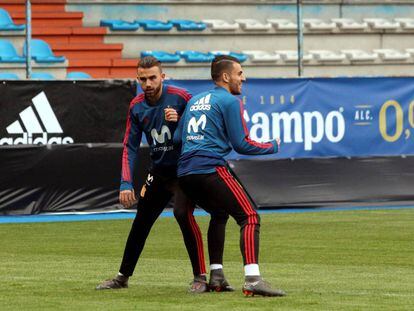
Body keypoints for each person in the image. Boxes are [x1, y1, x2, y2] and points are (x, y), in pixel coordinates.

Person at [96, 56, 232, 293]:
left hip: (184, 171)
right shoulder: (136, 106)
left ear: (163, 77)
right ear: (137, 79)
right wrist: (126, 182)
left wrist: (180, 120)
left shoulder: (182, 97)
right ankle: (122, 277)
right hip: (158, 173)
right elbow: (130, 145)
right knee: (141, 222)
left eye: (152, 78)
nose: (147, 83)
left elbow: (200, 126)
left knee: (182, 214)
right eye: (142, 79)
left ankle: (200, 277)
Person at [177, 55, 286, 297]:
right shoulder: (229, 101)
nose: (243, 78)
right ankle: (253, 279)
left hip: (185, 173)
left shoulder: (194, 101)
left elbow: (177, 139)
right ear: (226, 77)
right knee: (250, 216)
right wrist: (273, 146)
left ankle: (216, 276)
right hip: (209, 167)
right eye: (240, 73)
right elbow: (242, 144)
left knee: (219, 212)